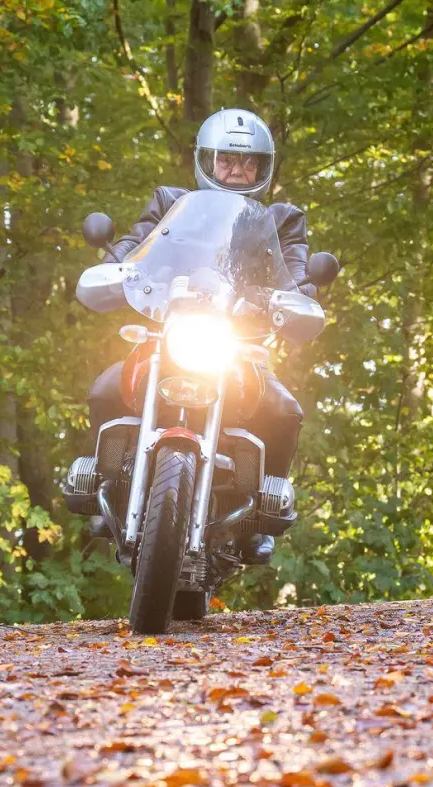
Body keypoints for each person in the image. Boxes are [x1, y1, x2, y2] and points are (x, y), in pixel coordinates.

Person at [85, 108, 310, 564]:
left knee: (284, 412)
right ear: (206, 160)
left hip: (238, 346)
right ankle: (103, 489)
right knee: (106, 389)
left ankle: (259, 519)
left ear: (262, 169)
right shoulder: (171, 202)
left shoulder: (281, 220)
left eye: (247, 163)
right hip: (167, 335)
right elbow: (137, 246)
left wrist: (298, 297)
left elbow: (297, 276)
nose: (236, 170)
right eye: (226, 159)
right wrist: (115, 267)